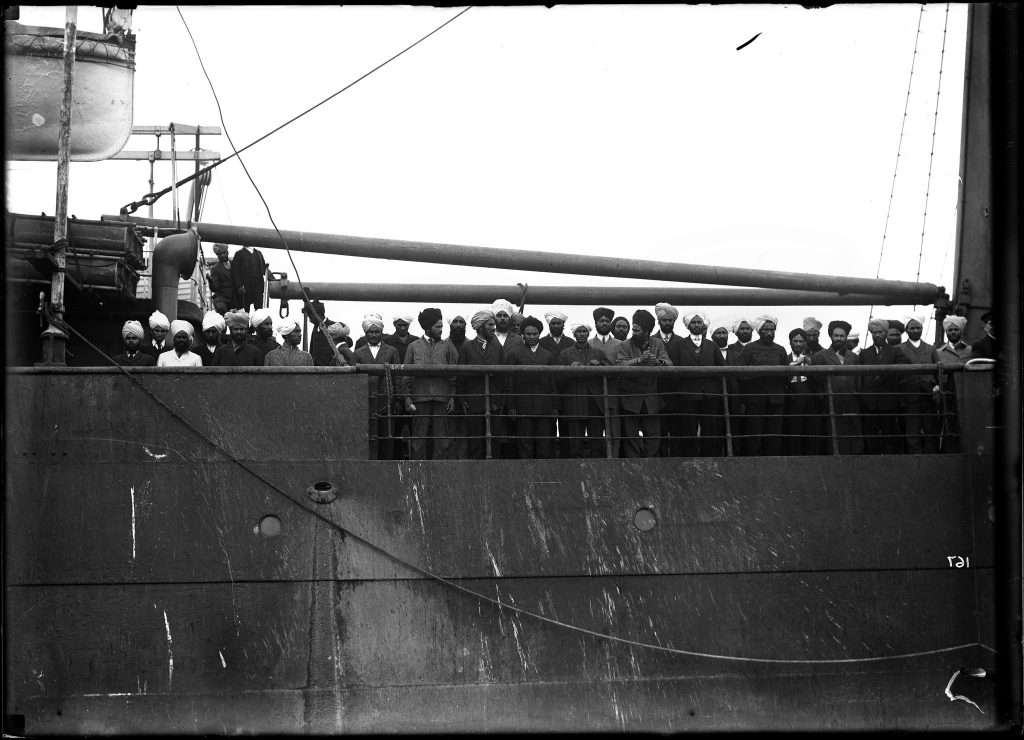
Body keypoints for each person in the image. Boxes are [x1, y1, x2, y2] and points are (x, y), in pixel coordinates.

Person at [403, 308, 459, 460]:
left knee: (442, 441)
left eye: (442, 326)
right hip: (419, 398)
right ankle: (418, 475)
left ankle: (440, 474)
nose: (441, 330)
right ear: (428, 327)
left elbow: (454, 375)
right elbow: (406, 374)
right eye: (438, 327)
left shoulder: (448, 347)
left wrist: (452, 397)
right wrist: (407, 397)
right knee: (418, 440)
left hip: (442, 398)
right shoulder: (413, 346)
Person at [615, 309, 671, 457]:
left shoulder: (657, 343)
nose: (633, 332)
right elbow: (620, 366)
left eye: (637, 330)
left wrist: (658, 361)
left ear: (647, 331)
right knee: (631, 440)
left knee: (653, 439)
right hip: (630, 401)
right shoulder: (625, 345)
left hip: (651, 401)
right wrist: (638, 361)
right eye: (633, 329)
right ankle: (633, 471)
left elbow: (669, 364)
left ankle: (651, 470)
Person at [668, 309, 724, 456]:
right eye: (693, 322)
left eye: (699, 322)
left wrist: (715, 388)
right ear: (688, 325)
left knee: (710, 430)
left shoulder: (712, 346)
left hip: (710, 395)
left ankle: (708, 459)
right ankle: (691, 460)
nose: (697, 325)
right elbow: (673, 371)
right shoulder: (679, 345)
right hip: (687, 395)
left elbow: (722, 368)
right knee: (689, 430)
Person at [504, 316, 558, 459]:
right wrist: (511, 406)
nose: (532, 337)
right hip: (523, 407)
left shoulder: (548, 355)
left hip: (545, 407)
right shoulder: (514, 354)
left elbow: (553, 382)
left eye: (535, 334)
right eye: (528, 334)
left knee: (544, 445)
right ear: (523, 334)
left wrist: (555, 407)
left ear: (539, 334)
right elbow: (510, 382)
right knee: (524, 443)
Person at [736, 314, 788, 456]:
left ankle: (773, 465)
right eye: (766, 330)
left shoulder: (780, 350)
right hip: (755, 399)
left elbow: (787, 375)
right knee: (755, 434)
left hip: (776, 399)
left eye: (772, 330)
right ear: (759, 331)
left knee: (774, 434)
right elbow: (739, 374)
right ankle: (755, 464)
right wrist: (759, 372)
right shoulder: (749, 349)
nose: (770, 333)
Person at [810, 320, 863, 454]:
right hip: (831, 402)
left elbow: (859, 380)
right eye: (836, 335)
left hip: (851, 401)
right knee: (833, 432)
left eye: (842, 336)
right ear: (831, 336)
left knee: (854, 431)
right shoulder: (820, 356)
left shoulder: (853, 357)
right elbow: (815, 381)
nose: (839, 338)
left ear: (846, 337)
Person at [458, 310, 504, 459]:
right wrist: (462, 399)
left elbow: (503, 375)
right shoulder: (467, 347)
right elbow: (460, 375)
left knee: (494, 442)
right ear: (480, 327)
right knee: (475, 443)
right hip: (474, 401)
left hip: (494, 402)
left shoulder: (497, 348)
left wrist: (501, 399)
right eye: (490, 324)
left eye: (494, 325)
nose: (493, 328)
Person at [353, 314, 400, 459]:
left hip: (386, 402)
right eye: (370, 332)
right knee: (368, 436)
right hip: (365, 401)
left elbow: (398, 377)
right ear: (365, 333)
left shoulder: (392, 351)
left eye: (376, 332)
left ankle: (387, 468)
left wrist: (398, 399)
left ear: (381, 332)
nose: (373, 335)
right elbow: (354, 380)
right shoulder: (358, 353)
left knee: (387, 436)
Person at [558, 320, 608, 458]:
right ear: (574, 334)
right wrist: (570, 370)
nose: (581, 334)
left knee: (597, 442)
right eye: (578, 331)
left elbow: (610, 372)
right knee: (575, 444)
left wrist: (599, 365)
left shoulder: (598, 352)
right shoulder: (565, 354)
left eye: (584, 331)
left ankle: (598, 472)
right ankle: (576, 474)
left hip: (594, 402)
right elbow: (558, 380)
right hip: (574, 402)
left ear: (588, 333)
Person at [857, 318, 907, 454]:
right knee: (870, 435)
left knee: (891, 434)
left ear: (885, 333)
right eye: (874, 332)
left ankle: (894, 461)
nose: (877, 335)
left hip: (888, 401)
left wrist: (887, 371)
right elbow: (859, 376)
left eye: (880, 332)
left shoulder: (895, 352)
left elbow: (905, 366)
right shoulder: (864, 354)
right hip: (869, 402)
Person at [897, 315, 942, 454]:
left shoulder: (931, 349)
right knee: (912, 431)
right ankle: (915, 462)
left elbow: (939, 372)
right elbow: (895, 375)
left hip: (929, 396)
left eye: (918, 328)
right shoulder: (899, 349)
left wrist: (938, 386)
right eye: (912, 328)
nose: (915, 330)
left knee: (930, 430)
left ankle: (932, 461)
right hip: (909, 397)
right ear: (907, 329)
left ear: (922, 329)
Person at [589, 306, 623, 457]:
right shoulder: (588, 344)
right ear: (595, 323)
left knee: (614, 432)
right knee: (595, 432)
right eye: (601, 321)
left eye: (607, 321)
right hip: (593, 393)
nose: (604, 323)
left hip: (614, 392)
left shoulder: (620, 344)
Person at [653, 303, 686, 457]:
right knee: (659, 432)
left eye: (670, 320)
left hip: (676, 394)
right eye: (664, 320)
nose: (667, 323)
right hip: (656, 392)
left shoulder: (682, 342)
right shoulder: (651, 340)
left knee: (677, 431)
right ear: (659, 321)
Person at [936, 315, 972, 452]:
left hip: (966, 392)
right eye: (950, 330)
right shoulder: (939, 353)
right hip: (947, 393)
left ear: (961, 331)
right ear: (946, 332)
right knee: (947, 423)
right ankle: (947, 451)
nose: (953, 332)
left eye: (956, 330)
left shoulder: (971, 351)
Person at [782, 328, 820, 455]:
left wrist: (811, 366)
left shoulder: (813, 359)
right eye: (795, 341)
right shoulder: (785, 360)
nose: (798, 344)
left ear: (805, 343)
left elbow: (820, 381)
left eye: (801, 341)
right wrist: (793, 365)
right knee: (793, 434)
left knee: (811, 434)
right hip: (792, 402)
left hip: (811, 402)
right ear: (790, 342)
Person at [726, 317, 754, 455]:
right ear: (736, 332)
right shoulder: (730, 350)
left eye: (747, 328)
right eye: (742, 329)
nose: (744, 331)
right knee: (736, 428)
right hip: (735, 395)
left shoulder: (757, 348)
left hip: (755, 395)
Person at [230, 245, 267, 311]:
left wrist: (272, 278)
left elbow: (264, 268)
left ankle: (258, 320)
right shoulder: (239, 254)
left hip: (258, 284)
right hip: (245, 286)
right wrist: (239, 285)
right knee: (245, 308)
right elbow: (235, 271)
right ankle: (245, 321)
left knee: (259, 308)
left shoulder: (259, 253)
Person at [207, 243, 233, 315]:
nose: (222, 255)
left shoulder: (235, 264)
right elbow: (215, 288)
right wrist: (210, 280)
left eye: (224, 253)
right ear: (217, 255)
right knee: (221, 308)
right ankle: (222, 325)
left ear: (227, 252)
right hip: (222, 296)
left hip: (235, 296)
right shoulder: (215, 269)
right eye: (219, 254)